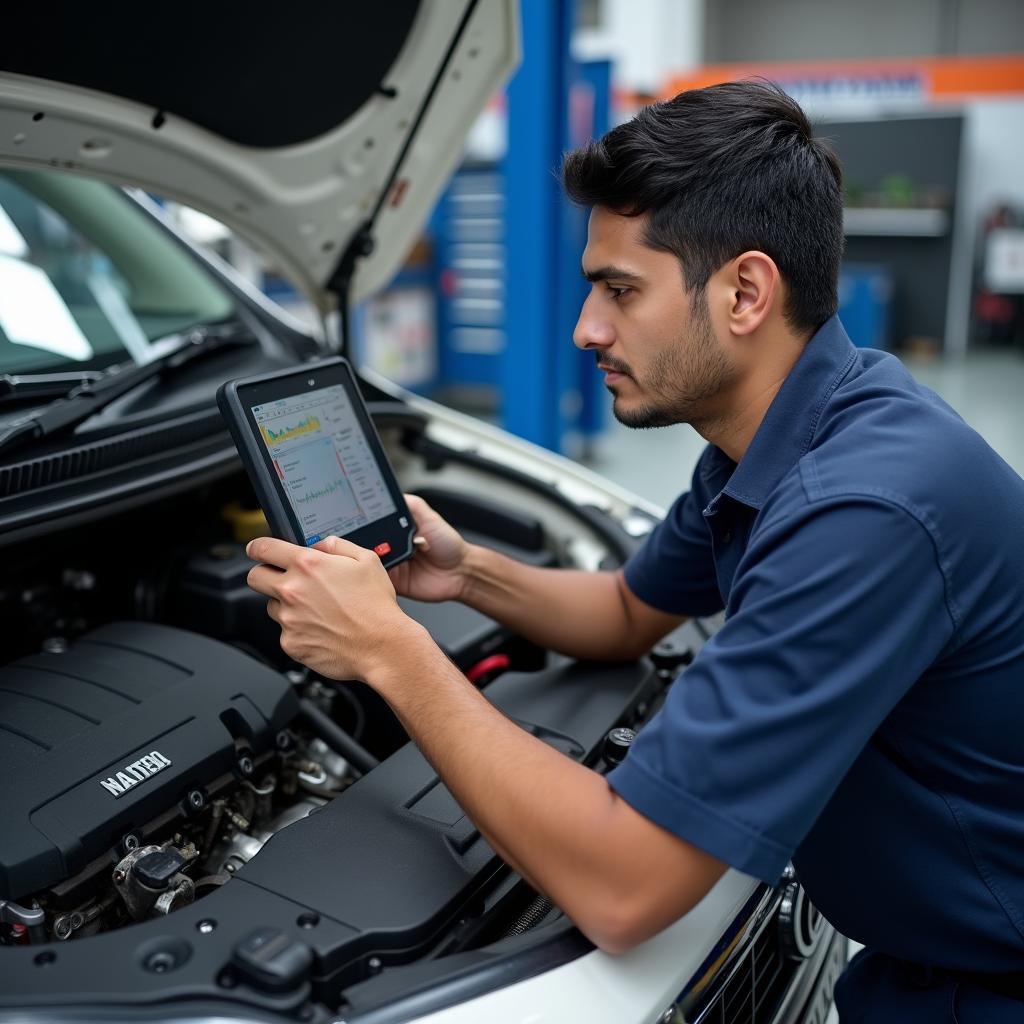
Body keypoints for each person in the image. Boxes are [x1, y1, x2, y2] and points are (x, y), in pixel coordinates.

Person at [244, 81, 1024, 1021]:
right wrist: (465, 576)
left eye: (620, 290)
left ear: (745, 292)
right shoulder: (790, 425)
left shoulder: (864, 510)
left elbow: (624, 889)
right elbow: (624, 612)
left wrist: (389, 652)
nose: (587, 329)